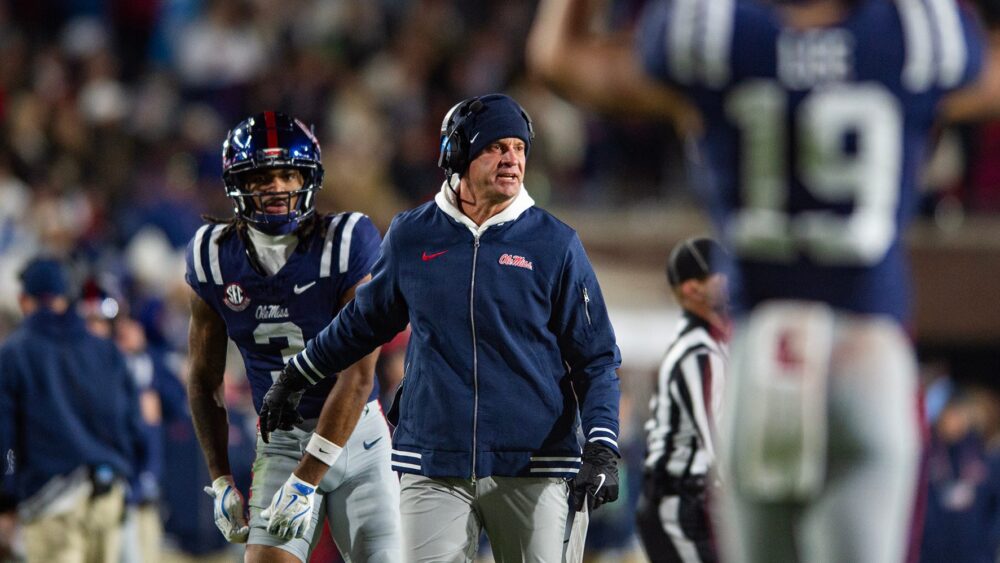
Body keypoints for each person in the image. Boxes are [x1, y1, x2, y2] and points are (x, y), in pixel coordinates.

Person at [527, 0, 999, 561]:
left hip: (764, 352)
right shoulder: (915, 31)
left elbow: (558, 58)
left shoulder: (713, 32)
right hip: (869, 351)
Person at [257, 93, 623, 562]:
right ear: (458, 156)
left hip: (537, 463)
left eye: (519, 147)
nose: (512, 158)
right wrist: (297, 375)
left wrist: (602, 445)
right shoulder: (413, 234)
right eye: (496, 147)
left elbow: (595, 357)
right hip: (433, 461)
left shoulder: (555, 243)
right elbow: (361, 324)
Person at [184, 111, 401, 563]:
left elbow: (358, 377)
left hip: (357, 438)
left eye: (288, 174)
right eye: (263, 176)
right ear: (237, 183)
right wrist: (221, 477)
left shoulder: (347, 241)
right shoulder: (213, 256)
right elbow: (204, 382)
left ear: (309, 177)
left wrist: (307, 479)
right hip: (281, 442)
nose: (278, 187)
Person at [0, 257, 146, 563]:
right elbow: (134, 423)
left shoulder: (15, 352)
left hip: (50, 499)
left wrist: (7, 496)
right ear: (64, 299)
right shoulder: (105, 349)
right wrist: (126, 475)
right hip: (107, 495)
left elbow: (5, 435)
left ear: (24, 300)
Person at [636, 237, 729, 563]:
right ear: (692, 290)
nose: (731, 279)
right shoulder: (697, 352)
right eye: (721, 273)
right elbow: (719, 441)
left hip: (691, 501)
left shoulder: (710, 345)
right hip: (680, 503)